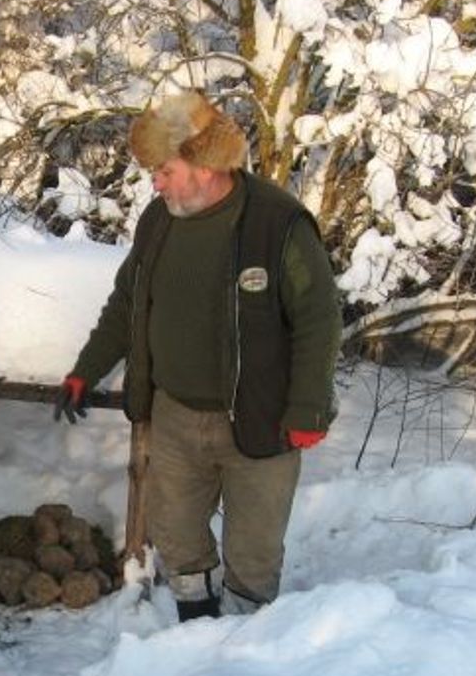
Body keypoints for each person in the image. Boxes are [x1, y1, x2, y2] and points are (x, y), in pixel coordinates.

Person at [54, 92, 341, 622]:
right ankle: (196, 626)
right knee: (177, 534)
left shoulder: (276, 224)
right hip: (176, 416)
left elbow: (319, 320)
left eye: (164, 170)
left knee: (254, 552)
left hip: (260, 416)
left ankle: (246, 641)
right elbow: (128, 302)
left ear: (204, 166)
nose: (155, 183)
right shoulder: (159, 222)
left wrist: (308, 410)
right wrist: (85, 370)